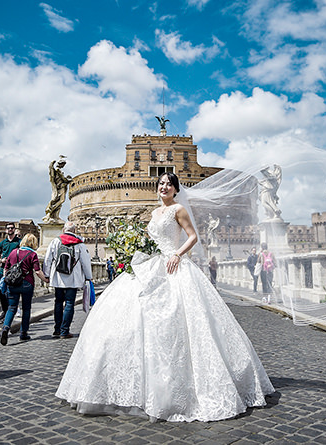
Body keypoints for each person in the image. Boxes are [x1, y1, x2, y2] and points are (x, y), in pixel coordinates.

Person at [56, 172, 274, 421]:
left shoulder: (178, 209)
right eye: (160, 184)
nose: (164, 187)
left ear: (175, 189)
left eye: (169, 184)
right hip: (151, 264)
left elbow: (193, 236)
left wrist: (177, 254)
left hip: (173, 265)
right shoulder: (154, 212)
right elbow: (153, 239)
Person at [43, 221, 92, 339]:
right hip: (73, 278)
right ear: (74, 231)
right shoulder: (80, 244)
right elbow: (86, 263)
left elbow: (47, 259)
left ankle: (57, 329)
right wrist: (88, 277)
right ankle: (65, 331)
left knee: (58, 302)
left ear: (64, 230)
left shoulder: (55, 241)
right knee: (70, 303)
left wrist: (47, 274)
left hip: (58, 278)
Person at [0, 233, 48, 345]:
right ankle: (23, 333)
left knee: (11, 308)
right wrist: (46, 280)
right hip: (27, 283)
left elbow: (6, 269)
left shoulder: (13, 252)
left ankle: (5, 328)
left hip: (13, 284)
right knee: (26, 309)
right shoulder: (32, 254)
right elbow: (37, 271)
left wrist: (7, 282)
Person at [0, 224, 21, 320]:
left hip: (15, 271)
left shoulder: (19, 242)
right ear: (6, 230)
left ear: (14, 229)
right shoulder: (2, 243)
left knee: (13, 291)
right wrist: (1, 260)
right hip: (3, 270)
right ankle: (5, 311)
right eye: (8, 228)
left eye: (12, 228)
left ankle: (12, 310)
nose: (10, 229)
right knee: (2, 291)